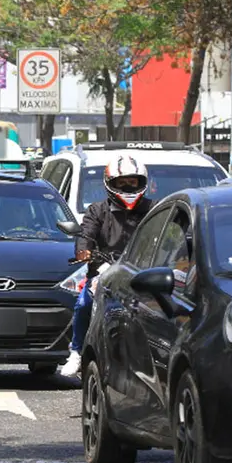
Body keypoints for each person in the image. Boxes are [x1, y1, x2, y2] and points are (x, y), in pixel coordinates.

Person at [60, 154, 154, 378]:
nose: (127, 186)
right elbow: (85, 235)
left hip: (144, 273)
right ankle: (76, 351)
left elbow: (169, 236)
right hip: (105, 271)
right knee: (84, 302)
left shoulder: (154, 209)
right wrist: (85, 253)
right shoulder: (97, 211)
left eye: (133, 182)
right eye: (122, 182)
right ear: (110, 184)